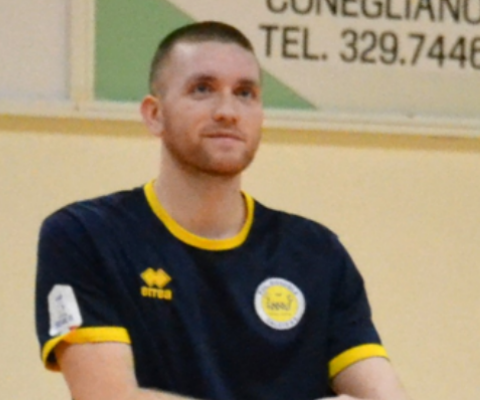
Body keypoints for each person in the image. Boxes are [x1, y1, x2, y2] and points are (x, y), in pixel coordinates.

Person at [35, 21, 408, 400]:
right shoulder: (85, 235)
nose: (228, 111)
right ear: (155, 114)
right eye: (202, 89)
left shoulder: (317, 252)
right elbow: (109, 397)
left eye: (245, 93)